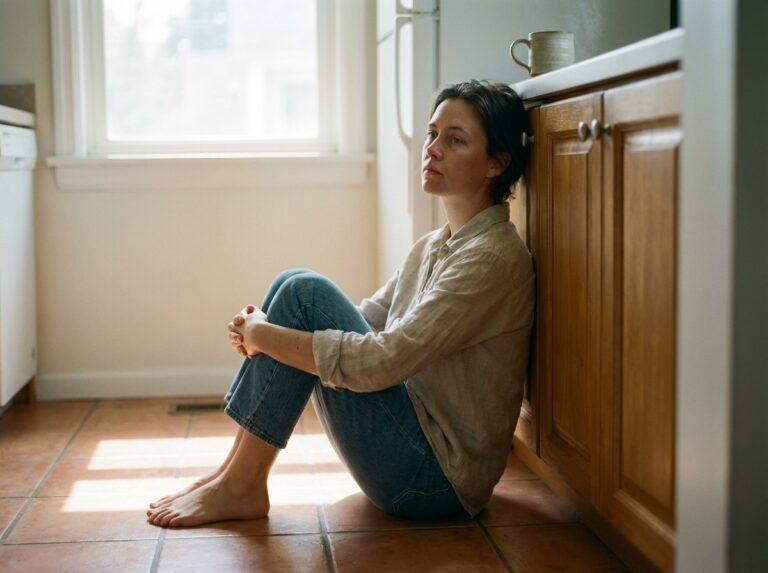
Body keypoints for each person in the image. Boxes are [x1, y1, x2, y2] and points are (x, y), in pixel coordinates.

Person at [146, 80, 535, 527]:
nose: (431, 149)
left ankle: (241, 485)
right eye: (431, 134)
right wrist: (271, 335)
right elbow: (368, 319)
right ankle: (231, 475)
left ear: (496, 164)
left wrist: (266, 336)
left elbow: (380, 363)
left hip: (435, 483)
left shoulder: (492, 258)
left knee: (303, 294)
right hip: (412, 452)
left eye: (455, 139)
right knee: (293, 285)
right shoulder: (436, 245)